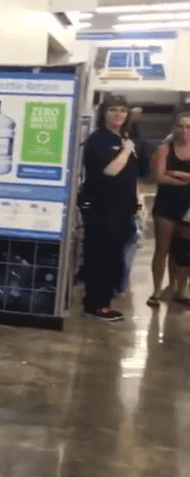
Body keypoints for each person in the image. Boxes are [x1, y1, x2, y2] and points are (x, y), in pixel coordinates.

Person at [80, 95, 139, 321]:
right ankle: (94, 305)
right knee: (100, 257)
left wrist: (137, 200)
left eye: (123, 110)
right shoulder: (99, 140)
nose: (118, 114)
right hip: (102, 209)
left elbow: (131, 175)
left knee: (114, 256)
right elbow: (110, 171)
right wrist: (126, 151)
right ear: (104, 112)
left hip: (122, 208)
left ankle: (104, 301)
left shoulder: (122, 137)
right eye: (113, 110)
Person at [147, 112, 190, 306]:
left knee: (181, 251)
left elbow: (166, 175)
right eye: (181, 126)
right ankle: (156, 290)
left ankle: (179, 289)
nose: (184, 131)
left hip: (187, 207)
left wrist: (177, 174)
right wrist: (185, 181)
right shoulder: (166, 148)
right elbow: (158, 177)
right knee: (162, 249)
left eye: (188, 127)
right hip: (166, 204)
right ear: (175, 128)